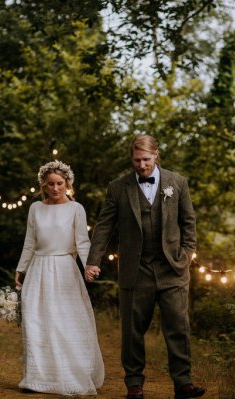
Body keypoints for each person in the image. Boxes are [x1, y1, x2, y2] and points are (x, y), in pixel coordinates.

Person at [85, 135, 205, 399]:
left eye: (146, 160)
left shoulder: (178, 183)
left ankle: (183, 382)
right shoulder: (118, 187)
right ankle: (134, 384)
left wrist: (185, 255)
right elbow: (104, 225)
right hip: (135, 269)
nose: (141, 165)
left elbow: (189, 224)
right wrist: (93, 260)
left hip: (172, 268)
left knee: (178, 326)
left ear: (156, 155)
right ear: (132, 159)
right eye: (137, 160)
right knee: (132, 330)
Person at [14, 160, 104, 395]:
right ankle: (36, 379)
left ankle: (70, 374)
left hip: (65, 270)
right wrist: (21, 269)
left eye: (60, 184)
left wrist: (89, 266)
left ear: (68, 183)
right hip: (38, 269)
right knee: (37, 322)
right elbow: (30, 242)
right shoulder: (35, 208)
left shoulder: (76, 209)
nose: (55, 188)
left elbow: (82, 242)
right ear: (44, 185)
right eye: (50, 184)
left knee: (64, 322)